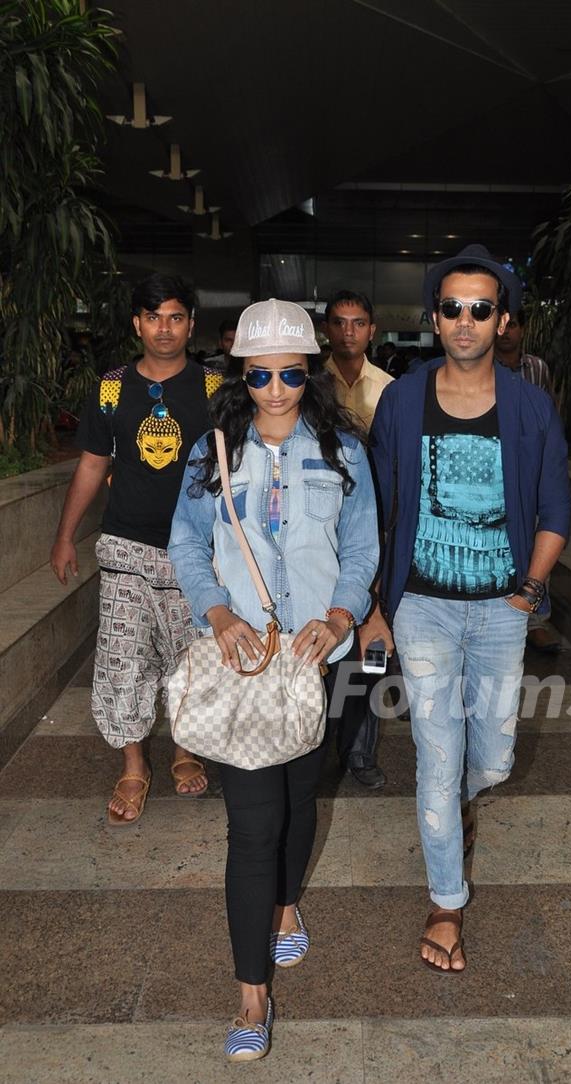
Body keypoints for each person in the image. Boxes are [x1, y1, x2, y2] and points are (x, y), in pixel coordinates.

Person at [168, 298, 378, 1060]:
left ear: (310, 369)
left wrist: (342, 614)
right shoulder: (213, 448)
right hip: (245, 661)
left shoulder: (342, 449)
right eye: (261, 374)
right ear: (241, 374)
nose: (278, 388)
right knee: (253, 826)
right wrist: (217, 612)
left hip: (313, 664)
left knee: (298, 799)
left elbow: (361, 546)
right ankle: (251, 994)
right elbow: (187, 544)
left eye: (292, 372)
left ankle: (289, 905)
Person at [365, 244, 570, 973]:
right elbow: (378, 512)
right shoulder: (401, 400)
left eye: (481, 309)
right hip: (421, 605)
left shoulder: (529, 406)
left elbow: (552, 510)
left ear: (502, 319)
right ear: (434, 316)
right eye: (452, 307)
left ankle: (459, 806)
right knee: (437, 752)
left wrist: (529, 588)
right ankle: (446, 902)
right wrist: (376, 606)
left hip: (500, 611)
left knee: (496, 756)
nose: (465, 320)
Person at [50, 273, 223, 823]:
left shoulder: (216, 389)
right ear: (137, 324)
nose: (164, 329)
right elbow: (93, 463)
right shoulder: (110, 387)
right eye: (153, 318)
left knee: (190, 660)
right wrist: (64, 536)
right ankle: (133, 764)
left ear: (191, 323)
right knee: (123, 660)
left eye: (175, 317)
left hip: (195, 552)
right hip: (125, 546)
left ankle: (185, 749)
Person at [323, 289, 394, 787]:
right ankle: (323, 749)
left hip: (377, 526)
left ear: (373, 330)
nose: (349, 331)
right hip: (323, 528)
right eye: (340, 322)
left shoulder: (392, 391)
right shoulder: (303, 386)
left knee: (373, 645)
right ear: (328, 329)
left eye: (359, 323)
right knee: (327, 640)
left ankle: (362, 753)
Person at [496, 308, 561, 652]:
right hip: (498, 464)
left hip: (532, 465)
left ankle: (536, 619)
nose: (507, 333)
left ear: (518, 329)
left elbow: (549, 414)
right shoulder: (483, 368)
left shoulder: (536, 369)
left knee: (541, 536)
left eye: (514, 326)